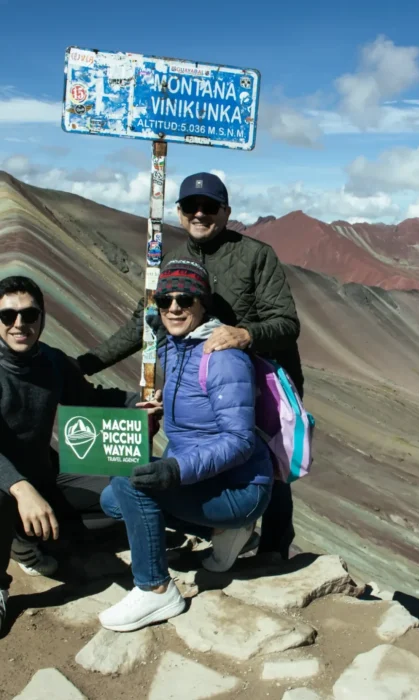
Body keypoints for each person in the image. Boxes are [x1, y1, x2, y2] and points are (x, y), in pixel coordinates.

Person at [77, 172, 303, 560]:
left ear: (226, 211)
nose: (200, 214)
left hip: (261, 384)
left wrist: (245, 334)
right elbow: (142, 323)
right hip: (201, 384)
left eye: (210, 207)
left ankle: (273, 551)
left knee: (271, 468)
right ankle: (225, 529)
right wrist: (84, 364)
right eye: (190, 207)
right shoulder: (173, 259)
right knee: (197, 457)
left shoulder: (255, 255)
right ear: (179, 212)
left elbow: (287, 323)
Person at [98, 260, 274, 632]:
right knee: (113, 500)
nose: (174, 308)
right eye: (165, 301)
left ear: (202, 304)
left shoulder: (223, 357)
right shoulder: (173, 348)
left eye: (185, 299)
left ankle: (156, 588)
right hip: (204, 478)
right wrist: (157, 411)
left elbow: (240, 441)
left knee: (132, 488)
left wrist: (174, 470)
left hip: (240, 486)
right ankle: (225, 533)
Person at [0, 276, 152, 633]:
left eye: (29, 314)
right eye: (7, 316)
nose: (19, 324)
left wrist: (139, 405)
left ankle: (26, 537)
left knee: (126, 492)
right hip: (7, 484)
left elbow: (92, 399)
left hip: (44, 476)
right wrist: (20, 489)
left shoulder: (51, 362)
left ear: (42, 317)